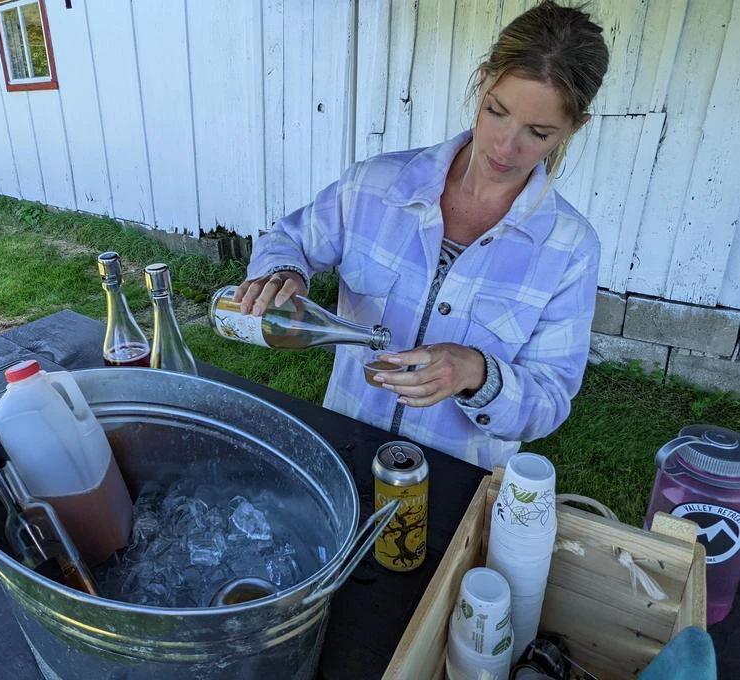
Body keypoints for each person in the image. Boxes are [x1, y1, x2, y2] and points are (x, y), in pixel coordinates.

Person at [233, 1, 610, 470]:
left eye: (538, 133)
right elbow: (287, 240)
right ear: (482, 82)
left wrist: (477, 373)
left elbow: (549, 399)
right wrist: (282, 271)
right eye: (496, 111)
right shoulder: (373, 186)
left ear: (574, 128)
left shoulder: (570, 248)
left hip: (457, 481)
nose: (504, 145)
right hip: (345, 447)